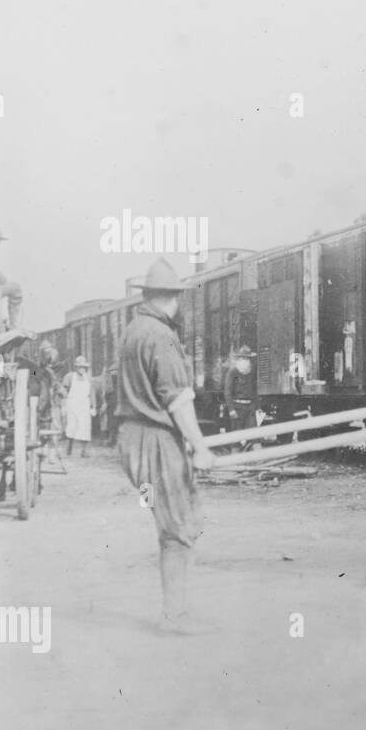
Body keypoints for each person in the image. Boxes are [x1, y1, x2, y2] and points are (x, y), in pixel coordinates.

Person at [116, 258, 215, 634]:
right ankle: (176, 616)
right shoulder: (159, 334)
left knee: (175, 517)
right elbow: (177, 400)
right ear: (173, 298)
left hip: (131, 444)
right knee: (178, 525)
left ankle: (176, 609)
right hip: (155, 443)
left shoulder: (131, 330)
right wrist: (201, 448)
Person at [62, 356, 97, 457]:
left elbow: (92, 393)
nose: (82, 369)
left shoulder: (88, 378)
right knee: (71, 426)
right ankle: (69, 447)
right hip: (72, 404)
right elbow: (64, 390)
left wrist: (93, 406)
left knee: (85, 427)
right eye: (79, 367)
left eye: (83, 367)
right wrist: (63, 404)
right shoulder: (69, 376)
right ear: (76, 367)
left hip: (84, 405)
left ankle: (84, 451)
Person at [221, 345, 258, 432]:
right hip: (237, 408)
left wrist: (256, 406)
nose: (246, 361)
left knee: (254, 436)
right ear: (239, 359)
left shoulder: (251, 372)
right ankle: (236, 446)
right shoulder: (232, 372)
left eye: (248, 359)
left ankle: (252, 445)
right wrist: (231, 410)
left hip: (250, 408)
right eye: (244, 358)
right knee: (236, 438)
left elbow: (254, 391)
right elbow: (228, 392)